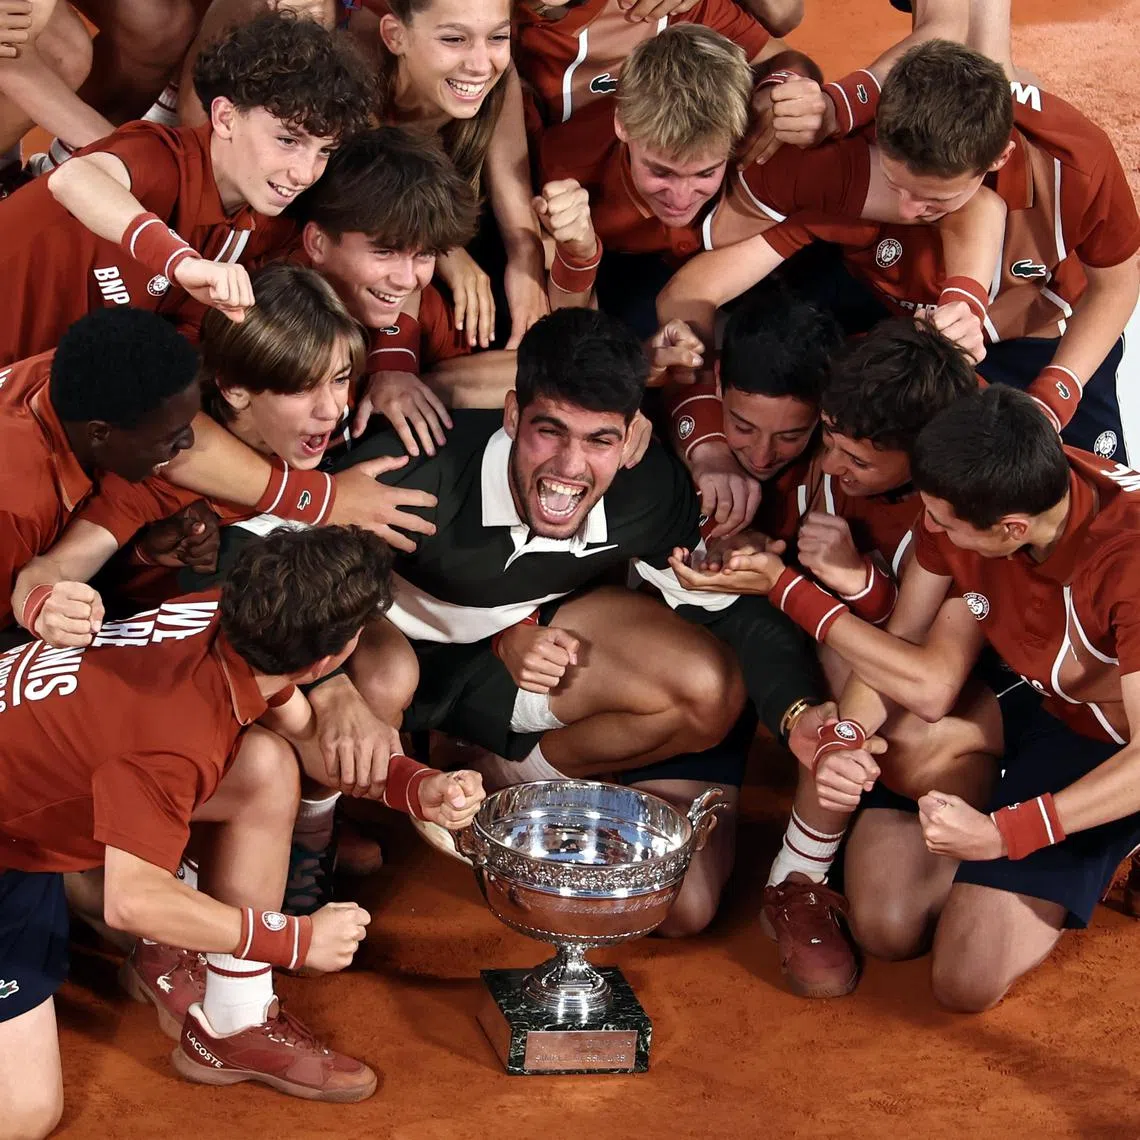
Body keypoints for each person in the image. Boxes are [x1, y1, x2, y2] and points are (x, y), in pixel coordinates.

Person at [323, 308, 873, 934]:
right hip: (380, 649)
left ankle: (513, 783)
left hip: (501, 667)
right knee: (381, 673)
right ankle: (315, 836)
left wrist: (799, 714)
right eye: (549, 431)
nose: (570, 466)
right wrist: (332, 689)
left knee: (707, 687)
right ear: (512, 416)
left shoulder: (646, 488)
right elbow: (278, 570)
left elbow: (732, 605)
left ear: (632, 435)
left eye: (600, 440)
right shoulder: (412, 463)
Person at [0, 525, 485, 1135]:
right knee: (24, 1114)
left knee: (263, 765)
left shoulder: (226, 620)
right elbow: (134, 899)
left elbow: (307, 737)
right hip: (18, 852)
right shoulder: (172, 739)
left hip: (27, 817)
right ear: (327, 661)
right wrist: (296, 941)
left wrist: (416, 788)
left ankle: (233, 1023)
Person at [675, 384, 1140, 1010]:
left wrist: (1006, 834)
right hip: (1038, 699)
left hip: (1115, 748)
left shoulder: (1128, 562)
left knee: (964, 983)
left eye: (945, 523)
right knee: (887, 927)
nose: (931, 530)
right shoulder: (981, 487)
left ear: (1011, 528)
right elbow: (908, 650)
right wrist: (843, 737)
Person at [697, 38, 1140, 460]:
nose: (908, 210)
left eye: (934, 200)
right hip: (884, 306)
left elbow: (1117, 285)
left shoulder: (1077, 165)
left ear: (998, 159)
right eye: (894, 184)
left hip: (1033, 332)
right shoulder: (856, 132)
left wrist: (1055, 395)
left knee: (1079, 479)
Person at [0, 9, 376, 365]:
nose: (305, 173)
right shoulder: (162, 156)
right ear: (225, 117)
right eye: (288, 140)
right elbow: (73, 179)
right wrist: (180, 262)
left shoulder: (264, 229)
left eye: (324, 151)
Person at [0, 308, 201, 639]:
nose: (189, 442)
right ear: (99, 433)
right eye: (169, 437)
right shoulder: (16, 507)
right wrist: (43, 609)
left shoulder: (79, 373)